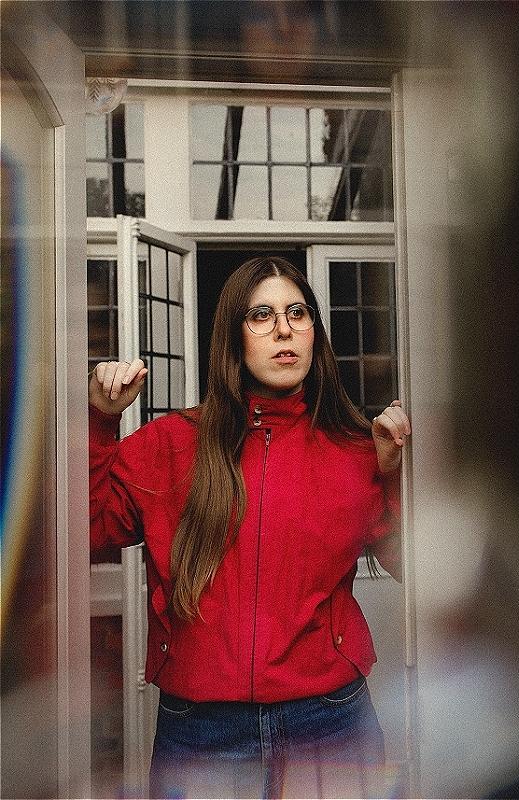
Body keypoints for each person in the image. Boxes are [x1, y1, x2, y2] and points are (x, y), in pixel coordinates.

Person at [89, 256, 411, 799]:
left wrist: (394, 474)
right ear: (234, 338)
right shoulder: (168, 447)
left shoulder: (356, 448)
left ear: (314, 334)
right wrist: (100, 420)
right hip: (202, 729)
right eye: (261, 315)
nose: (284, 329)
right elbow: (87, 530)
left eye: (298, 313)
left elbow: (416, 565)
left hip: (329, 722)